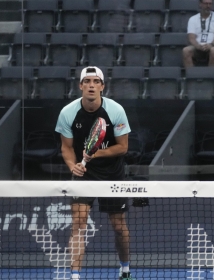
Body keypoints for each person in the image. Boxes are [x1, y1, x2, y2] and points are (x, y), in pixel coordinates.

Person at [55, 66, 132, 280]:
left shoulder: (115, 110)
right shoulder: (68, 113)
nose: (91, 85)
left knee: (118, 226)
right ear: (80, 86)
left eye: (96, 81)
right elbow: (66, 147)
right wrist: (73, 166)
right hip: (84, 175)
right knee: (79, 224)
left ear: (102, 87)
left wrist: (95, 154)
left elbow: (123, 147)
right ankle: (75, 276)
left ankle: (125, 270)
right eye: (87, 81)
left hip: (112, 174)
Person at [183, 0, 214, 68]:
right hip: (198, 45)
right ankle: (191, 76)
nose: (208, 6)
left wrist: (211, 44)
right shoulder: (193, 19)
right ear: (200, 4)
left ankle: (210, 76)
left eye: (210, 3)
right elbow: (191, 37)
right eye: (206, 3)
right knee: (186, 51)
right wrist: (198, 46)